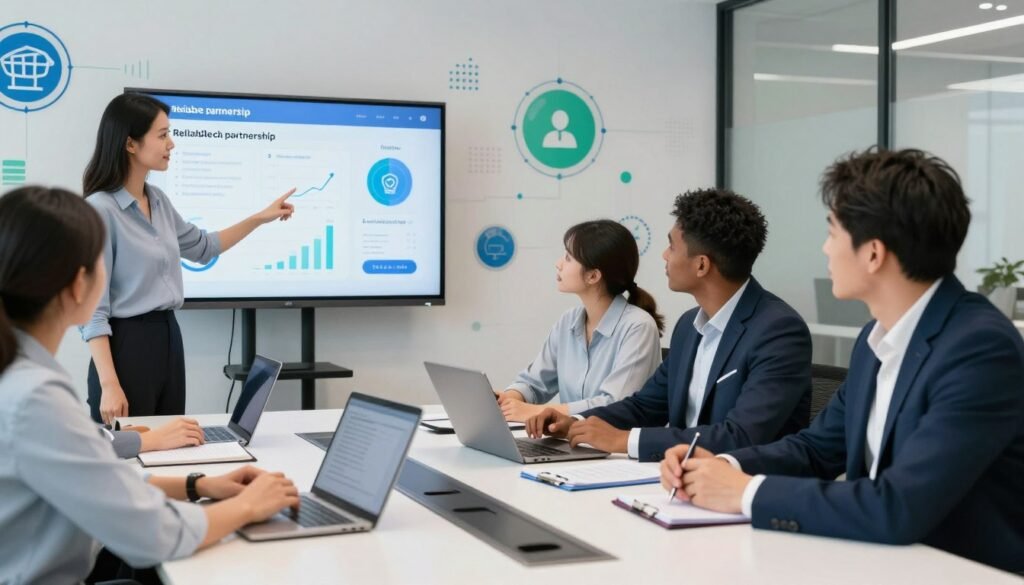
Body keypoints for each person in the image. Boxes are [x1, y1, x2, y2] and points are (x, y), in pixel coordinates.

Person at [659, 148, 1024, 574]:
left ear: (873, 253)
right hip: (879, 562)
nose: (825, 249)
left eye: (832, 232)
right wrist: (720, 465)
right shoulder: (878, 336)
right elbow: (817, 449)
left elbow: (898, 506)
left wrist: (744, 492)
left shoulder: (979, 349)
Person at [0, 186, 300, 584]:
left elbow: (97, 474)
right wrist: (248, 506)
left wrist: (201, 484)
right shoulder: (35, 398)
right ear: (77, 285)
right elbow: (155, 534)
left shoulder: (21, 377)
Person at [527, 189, 811, 460]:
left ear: (701, 265)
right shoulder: (690, 326)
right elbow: (647, 405)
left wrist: (624, 441)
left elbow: (741, 436)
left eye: (672, 246)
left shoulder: (778, 331)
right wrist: (574, 422)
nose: (664, 255)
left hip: (741, 492)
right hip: (679, 481)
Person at [81, 93, 296, 424]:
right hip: (126, 346)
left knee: (171, 447)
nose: (172, 143)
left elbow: (204, 247)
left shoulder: (159, 201)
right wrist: (109, 384)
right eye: (163, 134)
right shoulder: (100, 210)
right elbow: (93, 311)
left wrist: (260, 217)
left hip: (168, 339)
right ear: (130, 144)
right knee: (132, 455)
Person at [496, 220, 664, 422]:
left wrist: (537, 412)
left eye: (568, 258)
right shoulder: (568, 321)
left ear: (593, 276)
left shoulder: (638, 326)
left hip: (617, 449)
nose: (558, 263)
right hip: (575, 444)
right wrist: (510, 399)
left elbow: (616, 403)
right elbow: (534, 383)